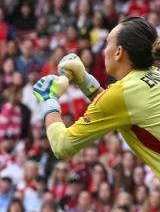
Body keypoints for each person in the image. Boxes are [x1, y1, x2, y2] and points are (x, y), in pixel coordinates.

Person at [32, 16, 160, 177]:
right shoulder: (155, 74)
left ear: (118, 52)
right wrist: (84, 80)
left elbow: (61, 146)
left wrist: (49, 100)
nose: (104, 50)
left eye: (107, 43)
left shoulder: (122, 94)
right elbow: (114, 105)